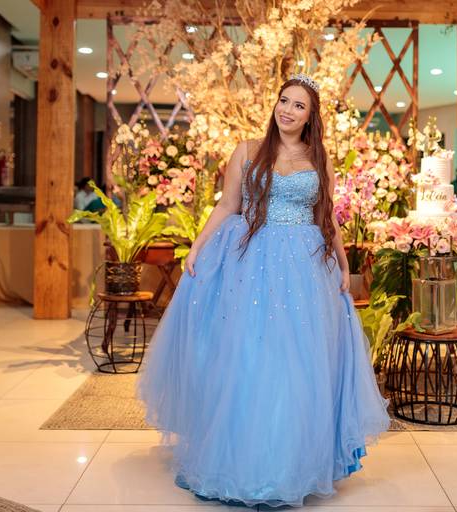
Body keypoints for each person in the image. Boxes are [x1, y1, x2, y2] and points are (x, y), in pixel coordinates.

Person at [137, 73, 390, 508]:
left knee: (295, 364)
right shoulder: (248, 150)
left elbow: (326, 216)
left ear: (310, 117)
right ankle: (240, 463)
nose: (287, 110)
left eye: (298, 105)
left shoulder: (319, 158)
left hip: (303, 267)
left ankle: (287, 465)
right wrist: (197, 246)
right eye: (284, 100)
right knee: (248, 358)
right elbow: (227, 204)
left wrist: (344, 264)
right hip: (249, 262)